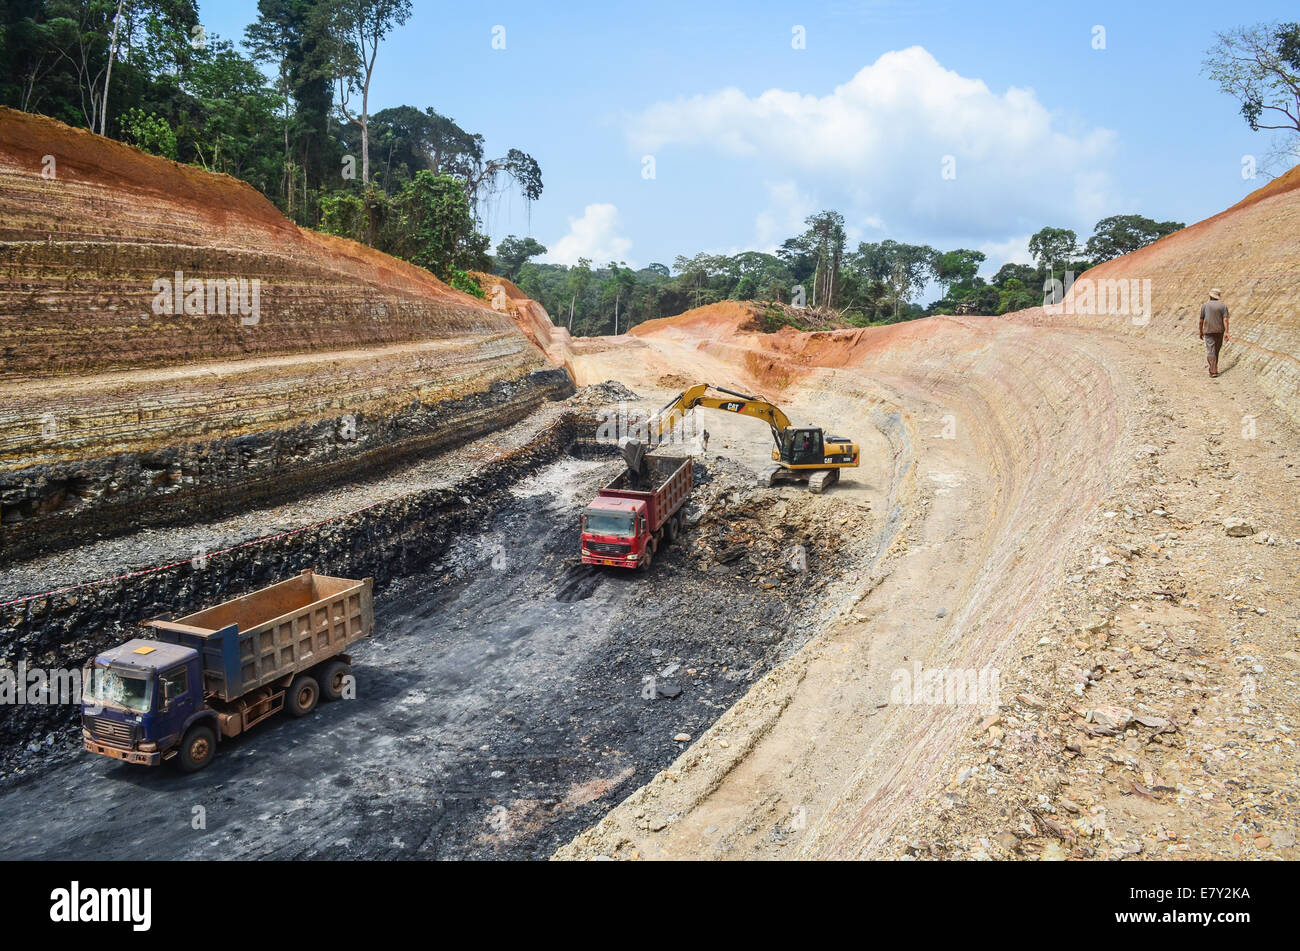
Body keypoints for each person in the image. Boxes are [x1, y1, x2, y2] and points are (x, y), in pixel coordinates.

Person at [1199, 288, 1230, 378]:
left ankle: (1213, 371)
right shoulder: (1223, 306)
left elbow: (1201, 320)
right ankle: (1214, 368)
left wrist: (1201, 331)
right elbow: (1226, 319)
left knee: (1211, 351)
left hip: (1208, 331)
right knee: (1216, 350)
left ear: (1210, 296)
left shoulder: (1205, 305)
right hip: (1220, 331)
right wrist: (1227, 332)